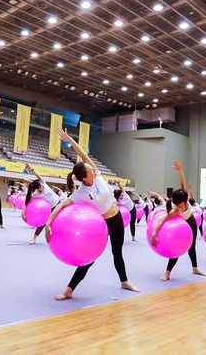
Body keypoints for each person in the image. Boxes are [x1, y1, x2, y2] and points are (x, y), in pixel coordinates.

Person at [44, 128, 139, 300]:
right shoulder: (80, 193)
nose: (93, 170)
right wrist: (48, 223)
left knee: (117, 253)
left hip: (117, 219)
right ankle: (69, 290)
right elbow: (61, 205)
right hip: (101, 225)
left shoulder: (97, 176)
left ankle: (124, 281)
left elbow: (83, 155)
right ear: (85, 178)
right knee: (89, 259)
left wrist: (70, 140)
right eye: (90, 170)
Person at [150, 160, 206, 281]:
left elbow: (182, 183)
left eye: (181, 204)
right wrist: (154, 234)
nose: (180, 206)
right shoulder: (175, 210)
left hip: (191, 222)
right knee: (177, 248)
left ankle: (195, 268)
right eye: (178, 205)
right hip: (180, 227)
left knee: (192, 247)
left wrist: (180, 170)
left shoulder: (183, 195)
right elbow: (161, 219)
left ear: (186, 200)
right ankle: (167, 273)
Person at [22, 163, 61, 244]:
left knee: (58, 222)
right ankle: (34, 238)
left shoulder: (44, 184)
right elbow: (27, 202)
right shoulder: (36, 195)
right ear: (38, 188)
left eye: (41, 184)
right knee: (43, 223)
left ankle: (56, 237)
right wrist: (23, 213)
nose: (42, 186)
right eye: (40, 186)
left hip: (58, 204)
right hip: (49, 209)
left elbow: (38, 176)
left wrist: (31, 169)